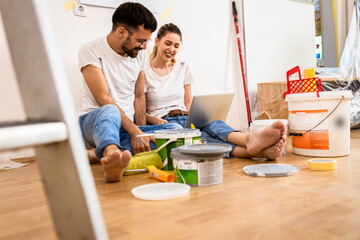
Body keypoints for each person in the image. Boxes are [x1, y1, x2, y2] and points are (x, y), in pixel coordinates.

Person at [144, 23, 286, 159]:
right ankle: (258, 153)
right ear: (157, 41)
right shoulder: (144, 72)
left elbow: (188, 101)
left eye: (176, 45)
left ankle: (249, 139)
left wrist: (194, 119)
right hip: (164, 122)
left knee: (212, 123)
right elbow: (140, 109)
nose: (172, 49)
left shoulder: (182, 66)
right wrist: (153, 119)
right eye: (167, 43)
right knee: (200, 139)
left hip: (184, 117)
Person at [77, 3, 182, 182]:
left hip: (125, 128)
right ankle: (111, 154)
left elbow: (139, 96)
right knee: (110, 110)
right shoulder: (90, 50)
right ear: (122, 32)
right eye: (141, 41)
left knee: (176, 130)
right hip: (95, 122)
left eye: (147, 41)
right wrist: (135, 132)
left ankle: (98, 155)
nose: (144, 47)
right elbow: (104, 99)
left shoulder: (139, 54)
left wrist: (141, 135)